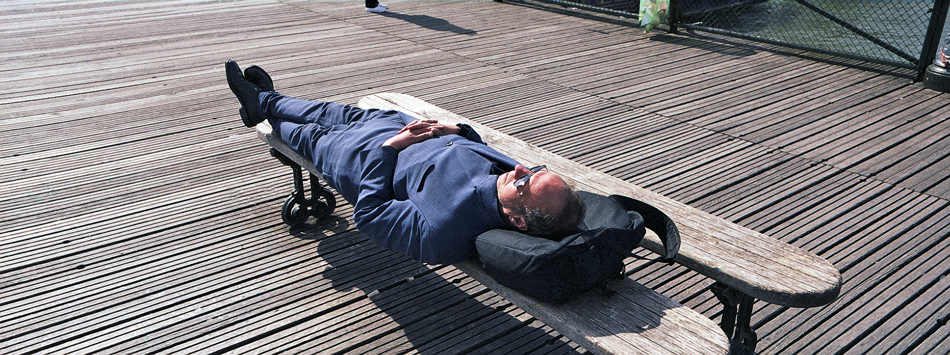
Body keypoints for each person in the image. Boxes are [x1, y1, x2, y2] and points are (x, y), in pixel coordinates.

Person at [225, 60, 585, 264]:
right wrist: (455, 129)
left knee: (311, 135)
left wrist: (391, 149)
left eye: (525, 182)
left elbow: (371, 215)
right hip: (405, 129)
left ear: (517, 221)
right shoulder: (512, 181)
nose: (521, 169)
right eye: (535, 170)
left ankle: (263, 110)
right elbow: (482, 148)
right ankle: (266, 99)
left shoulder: (443, 231)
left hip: (367, 157)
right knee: (334, 111)